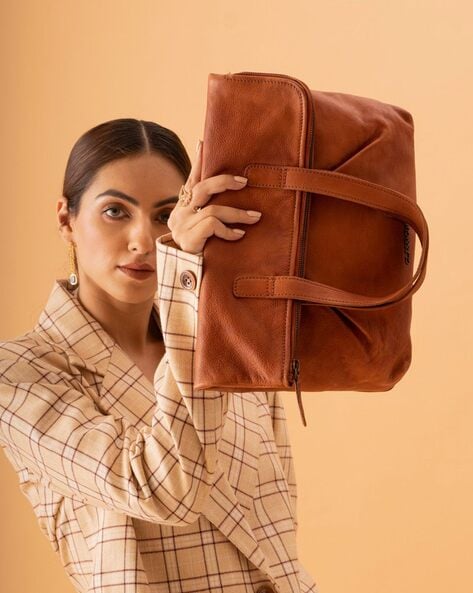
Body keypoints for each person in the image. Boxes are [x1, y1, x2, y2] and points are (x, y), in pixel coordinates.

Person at [0, 119, 319, 593]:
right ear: (66, 219)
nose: (144, 241)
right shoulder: (21, 375)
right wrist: (187, 285)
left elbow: (279, 515)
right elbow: (162, 490)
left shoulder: (230, 343)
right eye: (114, 211)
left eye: (165, 214)